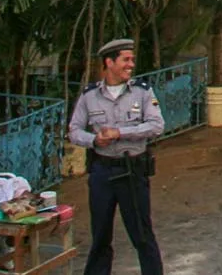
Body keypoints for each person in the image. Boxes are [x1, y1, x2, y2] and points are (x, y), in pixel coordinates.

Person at [69, 38, 165, 275]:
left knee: (142, 235)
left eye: (132, 59)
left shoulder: (142, 92)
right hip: (102, 172)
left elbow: (157, 126)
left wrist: (120, 133)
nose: (131, 64)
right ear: (109, 62)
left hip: (132, 171)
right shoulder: (90, 96)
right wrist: (94, 140)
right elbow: (74, 130)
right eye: (126, 59)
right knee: (100, 236)